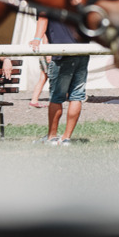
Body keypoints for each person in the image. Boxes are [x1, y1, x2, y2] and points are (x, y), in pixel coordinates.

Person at [33, 17, 91, 146]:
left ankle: (52, 137)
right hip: (82, 51)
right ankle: (66, 138)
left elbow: (43, 17)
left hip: (62, 53)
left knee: (56, 97)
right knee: (77, 96)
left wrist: (36, 39)